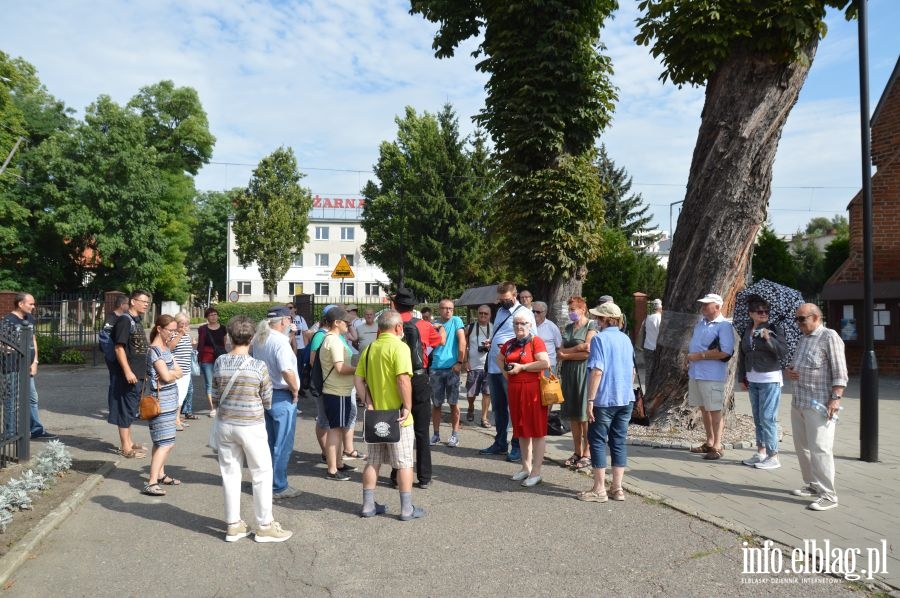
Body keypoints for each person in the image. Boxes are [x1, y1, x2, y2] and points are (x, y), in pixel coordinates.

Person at [213, 315, 292, 543]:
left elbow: (215, 395)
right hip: (251, 425)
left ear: (229, 336)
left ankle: (233, 525)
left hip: (226, 424)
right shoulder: (258, 366)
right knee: (261, 473)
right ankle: (265, 525)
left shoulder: (220, 362)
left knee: (230, 474)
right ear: (252, 338)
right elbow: (267, 399)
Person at [354, 310, 424, 521]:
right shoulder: (400, 347)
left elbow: (358, 380)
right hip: (397, 417)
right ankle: (406, 509)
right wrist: (408, 406)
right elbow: (403, 379)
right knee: (404, 463)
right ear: (398, 328)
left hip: (376, 416)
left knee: (373, 461)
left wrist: (367, 401)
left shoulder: (369, 349)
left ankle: (368, 506)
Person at [785, 303, 847, 511]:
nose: (798, 323)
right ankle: (812, 484)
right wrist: (791, 371)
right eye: (797, 319)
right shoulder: (804, 339)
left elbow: (840, 372)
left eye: (801, 318)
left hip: (819, 402)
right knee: (802, 447)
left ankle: (828, 495)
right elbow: (797, 365)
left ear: (816, 317)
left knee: (820, 448)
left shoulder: (829, 337)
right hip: (799, 401)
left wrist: (836, 398)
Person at [577, 302, 635, 502]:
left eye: (598, 317)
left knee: (598, 441)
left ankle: (599, 488)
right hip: (626, 397)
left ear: (605, 319)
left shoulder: (600, 339)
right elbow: (633, 370)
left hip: (605, 398)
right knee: (618, 441)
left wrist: (590, 399)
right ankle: (617, 488)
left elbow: (597, 370)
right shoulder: (626, 339)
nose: (595, 320)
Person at [391, 287, 443, 489]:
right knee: (421, 430)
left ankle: (397, 475)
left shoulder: (387, 324)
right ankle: (424, 477)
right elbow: (437, 342)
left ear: (396, 305)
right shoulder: (424, 325)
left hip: (397, 378)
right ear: (413, 306)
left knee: (398, 427)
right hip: (420, 377)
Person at [479, 282, 534, 463]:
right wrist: (492, 341)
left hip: (513, 368)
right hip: (496, 366)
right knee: (499, 407)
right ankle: (500, 442)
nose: (503, 302)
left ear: (515, 295)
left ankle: (518, 446)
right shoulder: (502, 311)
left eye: (507, 299)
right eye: (501, 299)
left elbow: (531, 338)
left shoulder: (524, 314)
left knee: (516, 408)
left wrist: (512, 348)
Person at [253, 306, 301, 499]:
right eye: (289, 319)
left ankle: (269, 482)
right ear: (283, 321)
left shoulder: (260, 337)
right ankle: (278, 486)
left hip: (265, 392)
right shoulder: (279, 341)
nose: (291, 322)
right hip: (282, 394)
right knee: (282, 443)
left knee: (269, 442)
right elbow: (286, 370)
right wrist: (295, 389)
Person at [498, 313, 550, 488]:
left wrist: (522, 368)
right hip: (515, 388)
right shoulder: (510, 343)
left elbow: (545, 363)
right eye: (516, 323)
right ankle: (525, 467)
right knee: (521, 428)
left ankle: (536, 472)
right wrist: (508, 375)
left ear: (530, 325)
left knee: (536, 429)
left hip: (532, 388)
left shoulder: (536, 341)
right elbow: (499, 358)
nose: (519, 326)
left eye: (523, 323)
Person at [736, 297, 787, 470]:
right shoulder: (747, 330)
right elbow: (743, 355)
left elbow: (782, 352)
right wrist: (742, 378)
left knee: (767, 418)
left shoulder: (774, 329)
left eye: (766, 311)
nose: (764, 314)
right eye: (760, 311)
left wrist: (769, 339)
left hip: (770, 378)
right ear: (751, 314)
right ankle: (761, 453)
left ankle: (774, 456)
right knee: (758, 418)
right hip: (753, 378)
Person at [687, 293, 734, 461]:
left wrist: (699, 356)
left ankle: (718, 446)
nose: (703, 307)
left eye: (707, 304)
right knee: (704, 408)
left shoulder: (724, 326)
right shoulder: (700, 324)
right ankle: (709, 441)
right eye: (703, 304)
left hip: (712, 375)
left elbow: (725, 352)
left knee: (714, 410)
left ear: (718, 307)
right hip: (696, 372)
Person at [3, 293, 57, 440]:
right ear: (20, 304)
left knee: (32, 399)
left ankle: (36, 430)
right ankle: (10, 433)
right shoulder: (8, 321)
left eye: (34, 304)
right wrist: (14, 350)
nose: (34, 307)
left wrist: (35, 362)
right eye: (31, 304)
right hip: (12, 367)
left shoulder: (30, 319)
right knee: (11, 400)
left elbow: (33, 340)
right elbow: (3, 344)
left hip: (28, 367)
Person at [143, 314, 184, 496]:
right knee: (166, 443)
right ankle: (151, 482)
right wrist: (171, 374)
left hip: (169, 400)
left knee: (161, 441)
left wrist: (171, 373)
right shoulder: (154, 350)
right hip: (160, 403)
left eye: (175, 331)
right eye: (170, 331)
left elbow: (179, 371)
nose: (173, 334)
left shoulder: (166, 349)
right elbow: (167, 376)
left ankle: (160, 474)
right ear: (159, 329)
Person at [109, 289, 152, 458]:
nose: (146, 304)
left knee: (132, 408)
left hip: (139, 373)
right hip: (129, 375)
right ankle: (126, 447)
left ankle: (130, 442)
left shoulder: (136, 320)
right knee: (126, 409)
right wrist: (128, 371)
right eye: (143, 301)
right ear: (133, 301)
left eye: (147, 302)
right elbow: (119, 348)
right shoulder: (125, 321)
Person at [318, 306, 358, 481]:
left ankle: (338, 463)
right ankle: (333, 469)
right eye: (346, 322)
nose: (348, 325)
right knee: (335, 430)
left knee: (339, 428)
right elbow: (340, 367)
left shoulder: (335, 338)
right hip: (337, 391)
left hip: (338, 390)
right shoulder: (333, 340)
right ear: (336, 323)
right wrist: (360, 370)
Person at [557, 296, 597, 470]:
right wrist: (574, 351)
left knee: (583, 415)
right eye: (569, 310)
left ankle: (588, 453)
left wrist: (567, 354)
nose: (571, 312)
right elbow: (560, 351)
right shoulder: (568, 327)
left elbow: (588, 351)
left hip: (583, 372)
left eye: (574, 309)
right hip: (569, 373)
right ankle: (577, 451)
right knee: (573, 415)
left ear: (583, 309)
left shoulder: (591, 326)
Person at [430, 298, 466, 447]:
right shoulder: (434, 325)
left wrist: (459, 362)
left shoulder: (457, 321)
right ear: (439, 310)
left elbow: (462, 341)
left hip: (452, 367)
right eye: (445, 308)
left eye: (450, 308)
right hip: (436, 367)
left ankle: (454, 435)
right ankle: (436, 434)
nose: (448, 311)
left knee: (453, 403)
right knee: (436, 404)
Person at [465, 305, 493, 428]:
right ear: (477, 314)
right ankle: (471, 408)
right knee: (471, 393)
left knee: (487, 393)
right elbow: (464, 345)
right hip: (473, 365)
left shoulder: (494, 328)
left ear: (490, 315)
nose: (482, 316)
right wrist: (465, 361)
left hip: (489, 366)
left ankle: (484, 417)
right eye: (480, 313)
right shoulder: (470, 328)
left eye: (485, 314)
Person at [197, 307, 227, 416]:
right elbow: (201, 344)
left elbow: (223, 343)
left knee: (222, 382)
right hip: (206, 358)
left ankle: (222, 405)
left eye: (215, 314)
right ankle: (213, 408)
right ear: (207, 317)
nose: (213, 317)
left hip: (220, 358)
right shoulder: (203, 329)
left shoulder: (223, 328)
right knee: (209, 383)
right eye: (211, 315)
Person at [170, 313, 195, 431]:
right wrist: (179, 334)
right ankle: (174, 421)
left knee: (182, 395)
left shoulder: (187, 335)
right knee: (177, 395)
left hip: (186, 370)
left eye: (186, 323)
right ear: (176, 324)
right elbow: (170, 347)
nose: (184, 326)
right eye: (181, 324)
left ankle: (178, 418)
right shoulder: (173, 334)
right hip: (177, 371)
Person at [532, 301, 562, 371]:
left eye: (538, 312)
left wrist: (552, 362)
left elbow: (559, 347)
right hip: (531, 366)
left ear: (545, 312)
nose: (535, 314)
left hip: (548, 367)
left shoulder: (552, 327)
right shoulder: (527, 325)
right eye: (533, 311)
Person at [640, 299, 662, 364]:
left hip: (647, 347)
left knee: (648, 370)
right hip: (655, 349)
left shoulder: (648, 317)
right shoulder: (659, 318)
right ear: (660, 307)